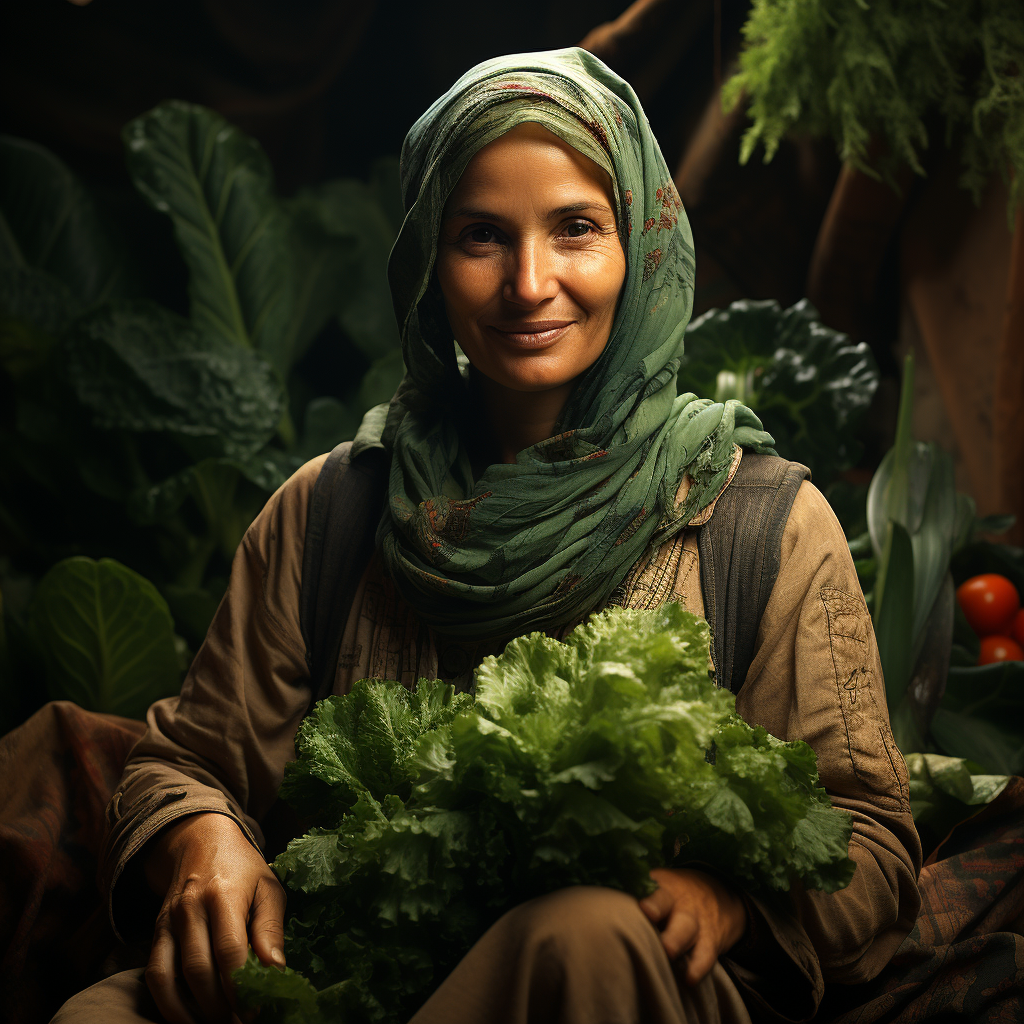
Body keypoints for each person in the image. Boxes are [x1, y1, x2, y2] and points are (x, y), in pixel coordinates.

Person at [52, 47, 921, 1024]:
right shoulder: (331, 509)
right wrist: (201, 834)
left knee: (582, 931)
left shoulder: (755, 524)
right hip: (359, 979)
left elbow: (872, 848)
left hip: (610, 984)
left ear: (640, 241)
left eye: (576, 229)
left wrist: (729, 902)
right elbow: (186, 760)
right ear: (428, 255)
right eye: (480, 236)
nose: (529, 282)